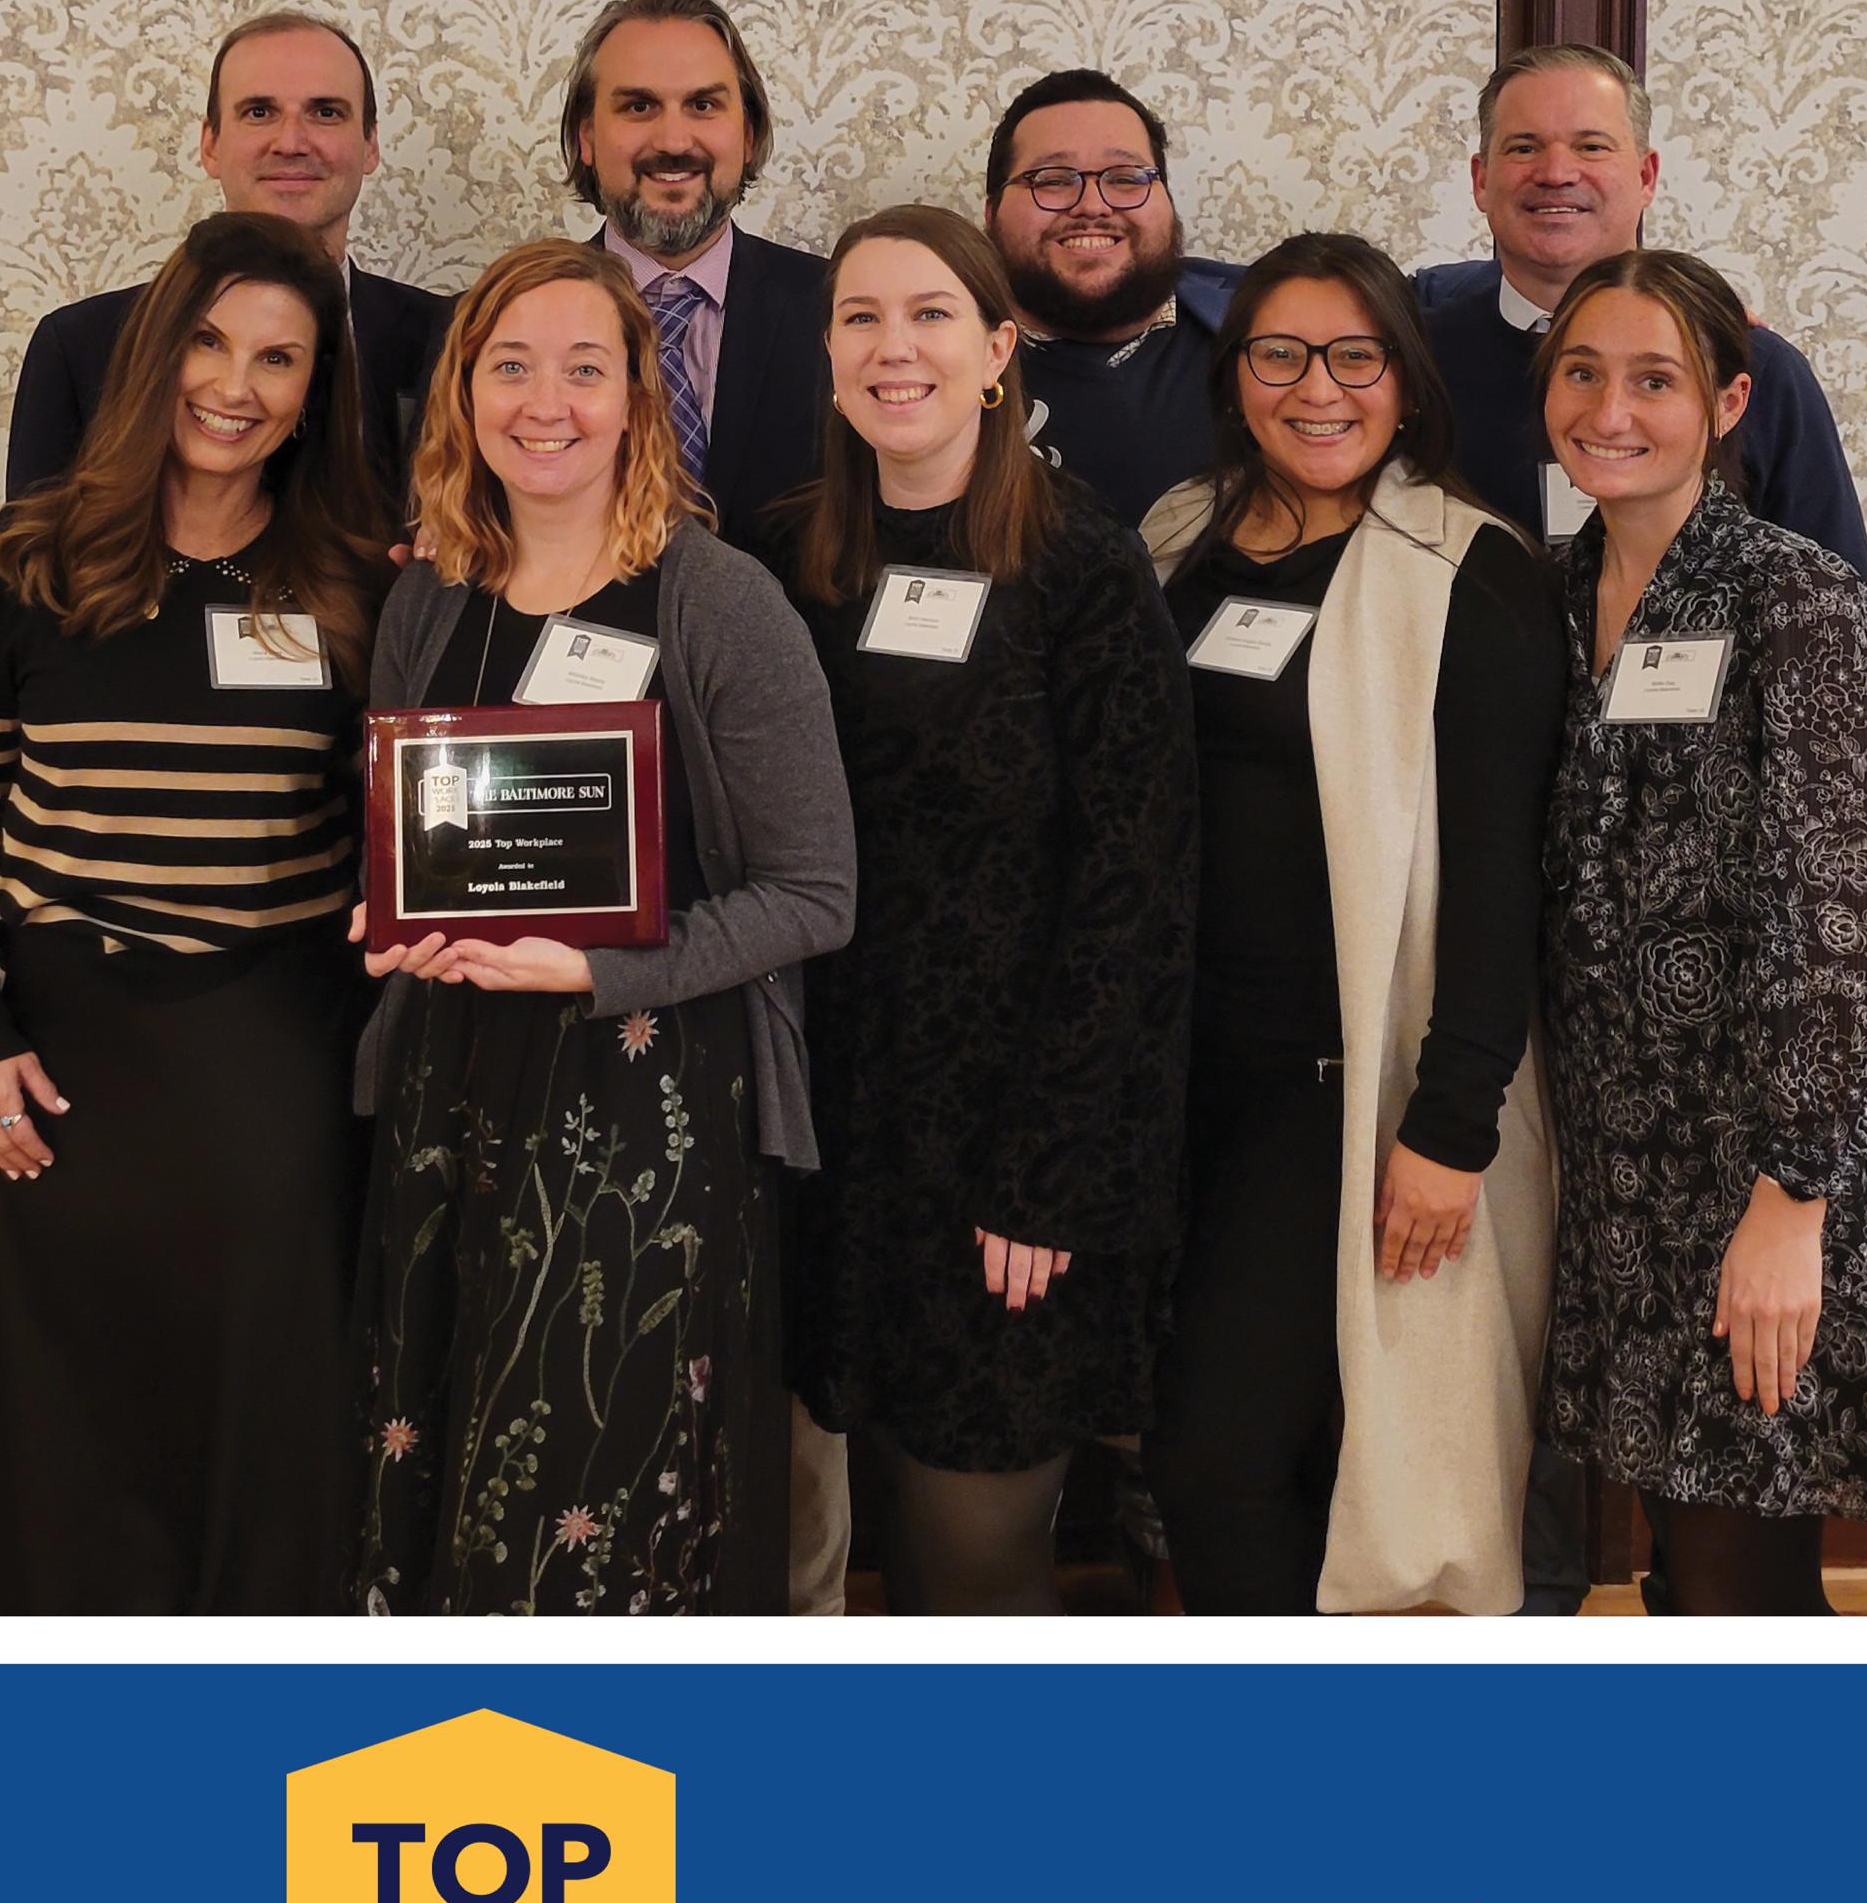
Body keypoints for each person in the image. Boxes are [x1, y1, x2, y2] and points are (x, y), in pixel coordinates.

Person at [352, 240, 854, 1615]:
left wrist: (601, 964)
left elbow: (816, 892)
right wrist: (382, 910)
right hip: (451, 1098)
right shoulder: (427, 597)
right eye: (509, 366)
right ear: (462, 394)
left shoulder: (718, 600)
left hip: (644, 1116)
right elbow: (403, 834)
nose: (544, 403)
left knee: (601, 1485)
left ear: (638, 398)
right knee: (440, 1454)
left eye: (584, 368)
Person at [0, 212, 394, 1611]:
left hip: (279, 1041)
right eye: (208, 341)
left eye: (278, 359)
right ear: (153, 353)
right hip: (68, 1052)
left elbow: (389, 822)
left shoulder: (352, 579)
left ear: (315, 391)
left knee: (280, 1400)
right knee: (76, 1407)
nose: (234, 386)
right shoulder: (30, 556)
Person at [768, 205, 1196, 1614]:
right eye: (861, 318)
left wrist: (1049, 1169)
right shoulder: (779, 562)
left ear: (1000, 352)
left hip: (1013, 1145)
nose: (894, 348)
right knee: (837, 1534)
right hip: (829, 1137)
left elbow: (1134, 890)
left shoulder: (1082, 564)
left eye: (931, 315)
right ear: (827, 354)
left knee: (972, 1559)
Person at [1141, 234, 1567, 1615]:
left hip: (1342, 1089)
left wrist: (1451, 1125)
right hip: (1176, 1081)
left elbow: (1501, 876)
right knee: (1206, 1454)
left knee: (1225, 1458)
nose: (1315, 389)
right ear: (1234, 374)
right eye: (1278, 354)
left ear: (1404, 381)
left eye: (1353, 357)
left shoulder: (1467, 570)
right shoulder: (1174, 540)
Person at [1533, 250, 1867, 1609]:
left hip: (1756, 1157)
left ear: (1726, 404)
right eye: (1582, 372)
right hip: (1612, 1161)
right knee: (1680, 1565)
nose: (1610, 410)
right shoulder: (1542, 594)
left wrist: (1790, 1201)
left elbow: (1825, 915)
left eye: (1654, 380)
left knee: (1742, 1588)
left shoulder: (1795, 598)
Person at [1413, 45, 1867, 580]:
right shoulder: (1415, 359)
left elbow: (1840, 601)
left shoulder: (1747, 365)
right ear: (1481, 180)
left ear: (1646, 175)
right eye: (1524, 147)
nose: (1556, 172)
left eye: (1591, 146)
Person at [8, 12, 446, 504]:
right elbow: (35, 547)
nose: (291, 143)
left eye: (326, 113)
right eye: (259, 112)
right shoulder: (79, 347)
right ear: (210, 145)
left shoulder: (450, 337)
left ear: (370, 144)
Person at [558, 0, 829, 550]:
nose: (674, 140)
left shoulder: (838, 312)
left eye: (703, 105)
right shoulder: (494, 327)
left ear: (748, 135)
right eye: (638, 107)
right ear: (587, 138)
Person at [983, 68, 1241, 526]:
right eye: (1052, 180)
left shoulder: (1268, 319)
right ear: (991, 213)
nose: (1093, 205)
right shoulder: (927, 359)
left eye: (1126, 178)